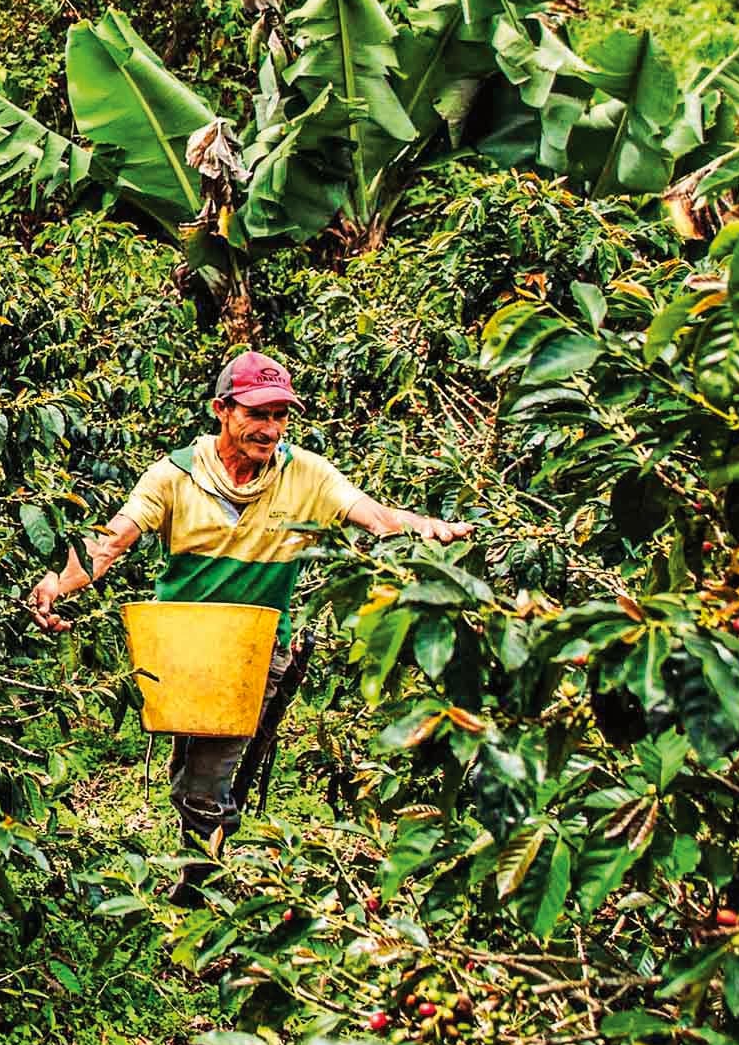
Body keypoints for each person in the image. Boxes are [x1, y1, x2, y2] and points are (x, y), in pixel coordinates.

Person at [28, 351, 469, 835]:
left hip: (254, 652)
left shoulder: (307, 475)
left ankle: (214, 879)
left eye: (279, 416)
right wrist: (57, 584)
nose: (271, 429)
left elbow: (380, 520)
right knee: (190, 775)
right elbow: (109, 544)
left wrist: (430, 528)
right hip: (182, 654)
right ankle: (206, 865)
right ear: (222, 410)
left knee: (197, 786)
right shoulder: (174, 476)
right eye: (257, 414)